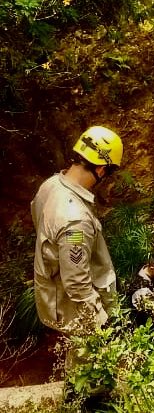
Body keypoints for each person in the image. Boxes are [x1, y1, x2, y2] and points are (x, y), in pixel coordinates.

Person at [32, 125, 123, 336]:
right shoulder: (75, 220)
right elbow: (77, 283)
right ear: (102, 170)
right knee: (88, 362)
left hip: (55, 294)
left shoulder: (51, 185)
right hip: (74, 309)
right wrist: (102, 322)